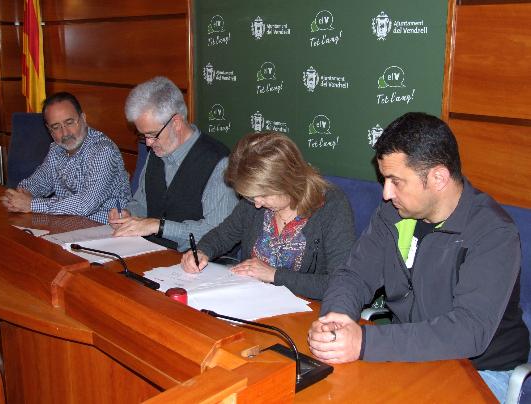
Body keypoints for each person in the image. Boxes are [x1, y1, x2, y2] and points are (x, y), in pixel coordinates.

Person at [307, 112, 529, 402]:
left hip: (482, 373)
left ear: (438, 177)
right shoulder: (393, 214)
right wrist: (336, 317)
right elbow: (354, 275)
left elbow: (469, 331)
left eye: (395, 181)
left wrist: (363, 342)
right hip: (409, 357)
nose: (386, 194)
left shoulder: (493, 232)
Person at [182, 132, 356, 300]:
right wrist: (202, 251)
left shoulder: (332, 206)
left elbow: (341, 283)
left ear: (288, 182)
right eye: (251, 197)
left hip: (305, 312)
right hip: (249, 300)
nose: (256, 204)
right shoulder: (255, 202)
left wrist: (274, 275)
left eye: (263, 196)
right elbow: (223, 235)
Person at [108, 76, 237, 251]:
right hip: (153, 254)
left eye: (153, 134)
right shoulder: (156, 152)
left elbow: (217, 233)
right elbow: (142, 202)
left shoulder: (219, 162)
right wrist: (128, 214)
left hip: (201, 265)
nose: (148, 143)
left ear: (176, 123)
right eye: (143, 136)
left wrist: (158, 226)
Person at [0, 92, 130, 224]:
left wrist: (32, 204)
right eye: (56, 127)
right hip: (66, 224)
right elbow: (39, 181)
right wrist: (18, 196)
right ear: (49, 130)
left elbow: (86, 204)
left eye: (69, 123)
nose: (65, 133)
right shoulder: (56, 149)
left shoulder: (102, 150)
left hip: (104, 228)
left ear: (83, 119)